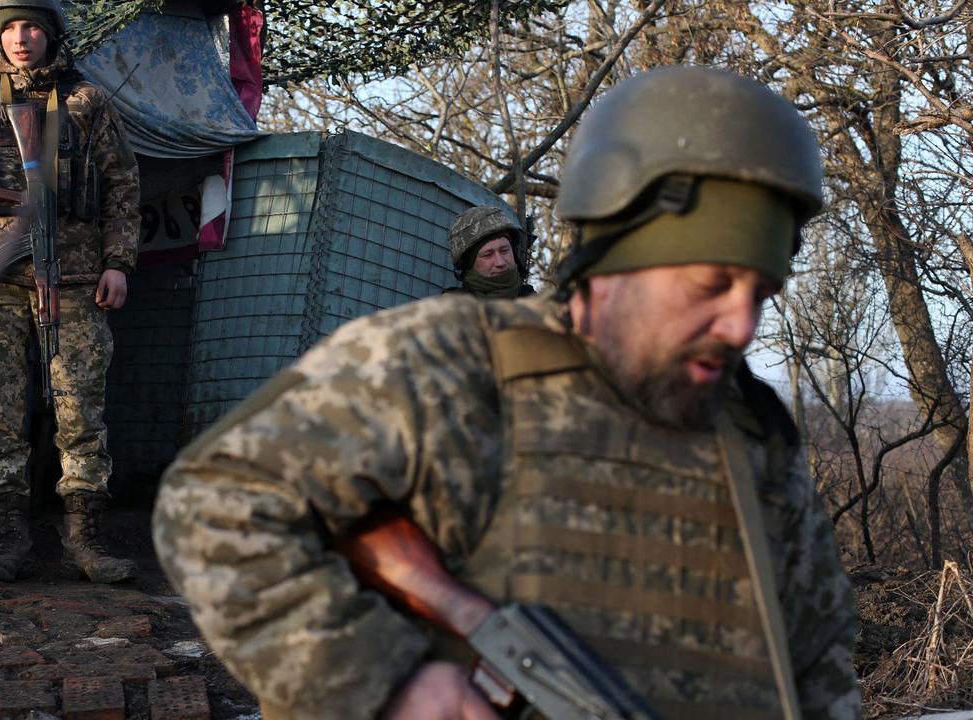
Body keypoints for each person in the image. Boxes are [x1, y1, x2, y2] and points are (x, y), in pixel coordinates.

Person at [153, 65, 861, 720]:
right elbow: (214, 503)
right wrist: (387, 678)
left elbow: (821, 662)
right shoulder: (452, 361)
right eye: (709, 286)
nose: (740, 325)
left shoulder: (756, 443)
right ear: (613, 261)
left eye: (761, 294)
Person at [0, 0, 141, 584]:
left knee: (79, 405)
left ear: (51, 34)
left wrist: (118, 262)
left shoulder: (87, 104)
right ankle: (8, 536)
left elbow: (122, 183)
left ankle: (85, 538)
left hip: (72, 274)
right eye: (11, 28)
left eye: (33, 28)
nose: (21, 39)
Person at [441, 206, 535, 298]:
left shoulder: (538, 306)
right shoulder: (452, 308)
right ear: (469, 263)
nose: (500, 262)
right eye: (488, 255)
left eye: (504, 250)